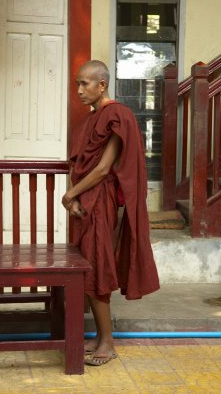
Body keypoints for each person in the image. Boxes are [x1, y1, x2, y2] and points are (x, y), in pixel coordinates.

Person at [62, 60, 160, 366]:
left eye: (84, 83)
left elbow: (104, 168)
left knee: (96, 268)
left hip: (100, 204)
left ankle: (107, 342)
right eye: (77, 83)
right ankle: (101, 337)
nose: (79, 90)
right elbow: (79, 163)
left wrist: (70, 194)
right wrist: (75, 197)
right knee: (88, 266)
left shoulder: (117, 115)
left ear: (102, 85)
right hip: (84, 204)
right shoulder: (91, 120)